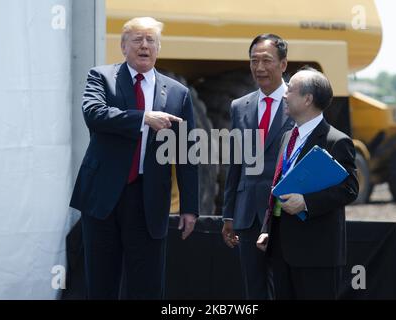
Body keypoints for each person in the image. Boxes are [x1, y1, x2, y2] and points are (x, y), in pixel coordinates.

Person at [69, 17, 199, 299]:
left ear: (158, 47)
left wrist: (190, 206)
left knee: (147, 286)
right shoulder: (102, 77)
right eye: (137, 39)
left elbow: (187, 153)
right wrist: (144, 118)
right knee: (102, 284)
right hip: (104, 199)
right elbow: (94, 114)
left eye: (150, 40)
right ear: (123, 46)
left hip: (148, 199)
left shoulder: (178, 93)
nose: (144, 46)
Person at [256, 67, 359, 299]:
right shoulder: (287, 136)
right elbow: (279, 183)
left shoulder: (336, 140)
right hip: (281, 249)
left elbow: (350, 189)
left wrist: (306, 203)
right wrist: (267, 229)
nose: (284, 94)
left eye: (290, 90)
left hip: (317, 253)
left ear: (308, 99)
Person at [222, 34, 294, 299]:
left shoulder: (299, 101)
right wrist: (228, 214)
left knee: (284, 286)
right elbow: (235, 162)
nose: (259, 68)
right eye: (254, 61)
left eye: (267, 61)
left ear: (283, 64)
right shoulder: (239, 106)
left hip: (282, 212)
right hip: (247, 213)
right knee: (254, 288)